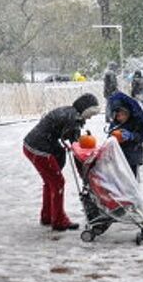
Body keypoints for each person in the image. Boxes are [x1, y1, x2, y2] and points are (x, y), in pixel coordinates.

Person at [23, 93, 100, 231]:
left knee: (50, 182)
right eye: (90, 114)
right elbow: (76, 148)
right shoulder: (73, 119)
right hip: (40, 150)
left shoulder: (69, 112)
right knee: (57, 182)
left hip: (31, 146)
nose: (89, 117)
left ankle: (47, 215)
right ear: (85, 109)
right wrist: (85, 173)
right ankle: (59, 220)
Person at [107, 91, 143, 179]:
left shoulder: (136, 122)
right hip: (118, 156)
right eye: (118, 115)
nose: (120, 118)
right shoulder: (115, 124)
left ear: (128, 113)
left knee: (131, 178)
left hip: (133, 156)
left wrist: (132, 136)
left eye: (123, 115)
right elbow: (109, 137)